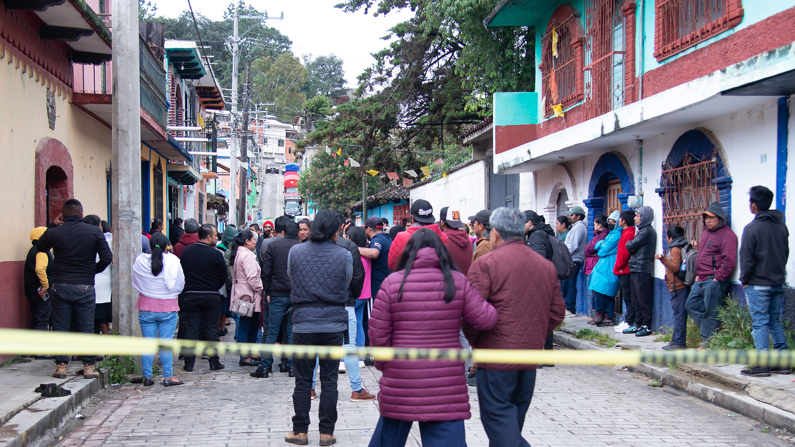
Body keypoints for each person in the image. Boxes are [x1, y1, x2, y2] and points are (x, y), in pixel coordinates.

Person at [368, 229, 498, 447]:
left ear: (408, 252)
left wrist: (383, 365)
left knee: (389, 434)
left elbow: (378, 333)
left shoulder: (392, 283)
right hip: (445, 383)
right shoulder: (457, 281)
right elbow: (485, 320)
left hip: (401, 376)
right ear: (442, 252)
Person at [465, 207, 565, 447]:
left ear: (495, 233)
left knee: (498, 420)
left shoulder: (486, 264)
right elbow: (557, 313)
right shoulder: (545, 266)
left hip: (496, 355)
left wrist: (478, 341)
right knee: (512, 422)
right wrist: (535, 335)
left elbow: (470, 313)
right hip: (528, 356)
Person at [284, 210, 352, 446]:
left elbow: (292, 277)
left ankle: (300, 431)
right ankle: (326, 433)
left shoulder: (296, 251)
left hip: (303, 323)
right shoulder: (344, 255)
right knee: (330, 380)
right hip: (333, 323)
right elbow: (346, 281)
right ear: (336, 231)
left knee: (303, 380)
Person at [37, 199, 112, 379]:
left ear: (63, 215)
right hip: (85, 286)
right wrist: (93, 270)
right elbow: (107, 257)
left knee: (60, 326)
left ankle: (61, 367)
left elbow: (39, 246)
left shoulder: (56, 232)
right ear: (81, 214)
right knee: (86, 326)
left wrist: (52, 225)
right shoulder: (94, 231)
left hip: (60, 285)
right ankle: (88, 367)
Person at [739, 186, 790, 377]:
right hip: (777, 282)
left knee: (760, 323)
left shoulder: (752, 228)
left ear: (753, 206)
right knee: (774, 320)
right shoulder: (781, 226)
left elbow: (747, 258)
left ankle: (761, 365)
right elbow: (785, 253)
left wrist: (744, 279)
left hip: (758, 283)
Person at [132, 232, 185, 387]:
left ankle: (147, 377)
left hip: (146, 306)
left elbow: (136, 281)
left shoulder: (140, 261)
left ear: (149, 245)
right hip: (168, 307)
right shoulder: (173, 261)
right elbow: (180, 284)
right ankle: (168, 377)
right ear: (167, 246)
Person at [252, 218, 302, 378]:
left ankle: (265, 367)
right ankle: (291, 366)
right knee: (291, 331)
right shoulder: (302, 247)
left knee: (272, 330)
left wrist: (267, 291)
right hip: (296, 295)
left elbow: (266, 271)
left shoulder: (273, 245)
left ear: (283, 232)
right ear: (299, 233)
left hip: (277, 294)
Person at [331, 213, 372, 401]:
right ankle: (357, 388)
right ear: (340, 226)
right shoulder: (349, 246)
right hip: (347, 302)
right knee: (350, 343)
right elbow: (357, 276)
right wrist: (352, 295)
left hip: (317, 306)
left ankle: (311, 389)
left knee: (314, 348)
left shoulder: (303, 248)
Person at [685, 201, 738, 347]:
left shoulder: (727, 235)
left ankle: (708, 341)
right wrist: (697, 273)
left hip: (714, 279)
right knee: (690, 305)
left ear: (720, 219)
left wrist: (717, 277)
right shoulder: (706, 233)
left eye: (711, 218)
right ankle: (713, 333)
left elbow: (729, 260)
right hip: (701, 277)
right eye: (706, 218)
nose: (708, 221)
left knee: (711, 309)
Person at [179, 224, 228, 372]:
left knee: (191, 328)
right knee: (211, 329)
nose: (216, 238)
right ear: (207, 237)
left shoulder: (187, 251)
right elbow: (223, 276)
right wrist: (213, 286)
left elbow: (183, 271)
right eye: (214, 236)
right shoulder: (216, 254)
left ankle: (188, 364)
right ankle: (214, 362)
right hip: (211, 295)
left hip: (191, 293)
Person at [229, 230, 264, 367]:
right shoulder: (247, 255)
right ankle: (245, 356)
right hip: (249, 296)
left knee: (251, 325)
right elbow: (252, 278)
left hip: (241, 294)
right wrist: (260, 289)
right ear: (247, 241)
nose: (256, 241)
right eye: (253, 239)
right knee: (245, 326)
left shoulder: (237, 253)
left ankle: (250, 353)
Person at [360, 217, 393, 352]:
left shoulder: (377, 240)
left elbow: (374, 253)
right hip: (387, 286)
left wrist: (354, 248)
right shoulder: (388, 238)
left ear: (368, 229)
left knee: (373, 321)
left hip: (376, 288)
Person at [655, 226, 690, 350]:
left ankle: (679, 343)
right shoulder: (682, 246)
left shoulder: (675, 249)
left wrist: (662, 259)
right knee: (678, 314)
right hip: (679, 286)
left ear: (670, 238)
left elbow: (675, 267)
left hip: (678, 286)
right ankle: (675, 340)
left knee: (679, 315)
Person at [388, 200, 449, 271]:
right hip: (439, 279)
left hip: (408, 279)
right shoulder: (444, 237)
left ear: (412, 218)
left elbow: (392, 264)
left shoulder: (401, 237)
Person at [624, 206, 657, 337]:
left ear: (644, 217)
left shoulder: (647, 231)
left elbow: (630, 245)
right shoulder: (641, 231)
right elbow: (631, 245)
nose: (635, 218)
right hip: (635, 267)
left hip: (642, 268)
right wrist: (631, 246)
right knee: (635, 299)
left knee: (643, 299)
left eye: (637, 216)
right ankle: (638, 324)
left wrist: (631, 246)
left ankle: (646, 325)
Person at [589, 217, 623, 327]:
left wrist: (600, 244)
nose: (610, 224)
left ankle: (608, 315)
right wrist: (601, 244)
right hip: (604, 266)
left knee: (607, 292)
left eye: (613, 222)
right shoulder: (612, 234)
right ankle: (601, 314)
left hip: (610, 266)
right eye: (609, 222)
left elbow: (603, 250)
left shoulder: (617, 234)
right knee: (599, 290)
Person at [347, 226, 372, 350]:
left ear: (351, 238)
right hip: (365, 294)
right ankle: (360, 355)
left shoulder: (355, 256)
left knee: (349, 325)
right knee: (359, 324)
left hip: (355, 295)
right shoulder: (367, 254)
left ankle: (346, 354)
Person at [584, 215, 610, 324]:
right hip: (593, 264)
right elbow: (587, 248)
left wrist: (592, 250)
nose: (593, 226)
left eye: (594, 224)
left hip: (597, 265)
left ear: (600, 225)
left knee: (599, 291)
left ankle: (602, 314)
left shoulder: (603, 235)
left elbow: (590, 248)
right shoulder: (597, 235)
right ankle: (599, 314)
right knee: (596, 291)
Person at [562, 206, 588, 317]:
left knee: (570, 284)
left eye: (572, 215)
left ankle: (570, 308)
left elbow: (573, 245)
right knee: (568, 283)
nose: (570, 216)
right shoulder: (576, 227)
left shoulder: (578, 228)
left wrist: (564, 254)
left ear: (578, 216)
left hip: (573, 259)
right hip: (573, 259)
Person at [24, 227, 52, 331]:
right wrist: (45, 287)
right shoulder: (42, 251)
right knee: (42, 320)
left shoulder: (33, 249)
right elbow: (40, 269)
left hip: (31, 290)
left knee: (36, 318)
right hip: (40, 291)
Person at [615, 210, 637, 333]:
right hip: (625, 269)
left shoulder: (627, 234)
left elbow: (623, 254)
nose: (618, 221)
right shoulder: (628, 233)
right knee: (627, 297)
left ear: (623, 221)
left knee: (628, 298)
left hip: (625, 270)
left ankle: (630, 321)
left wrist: (617, 266)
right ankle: (628, 319)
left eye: (619, 219)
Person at [91, 218, 113, 335]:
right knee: (103, 318)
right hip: (104, 283)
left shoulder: (86, 240)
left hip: (91, 283)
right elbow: (109, 259)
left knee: (91, 318)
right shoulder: (108, 241)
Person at [439, 207, 473, 275]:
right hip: (466, 283)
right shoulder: (469, 241)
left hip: (448, 283)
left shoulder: (442, 241)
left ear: (442, 223)